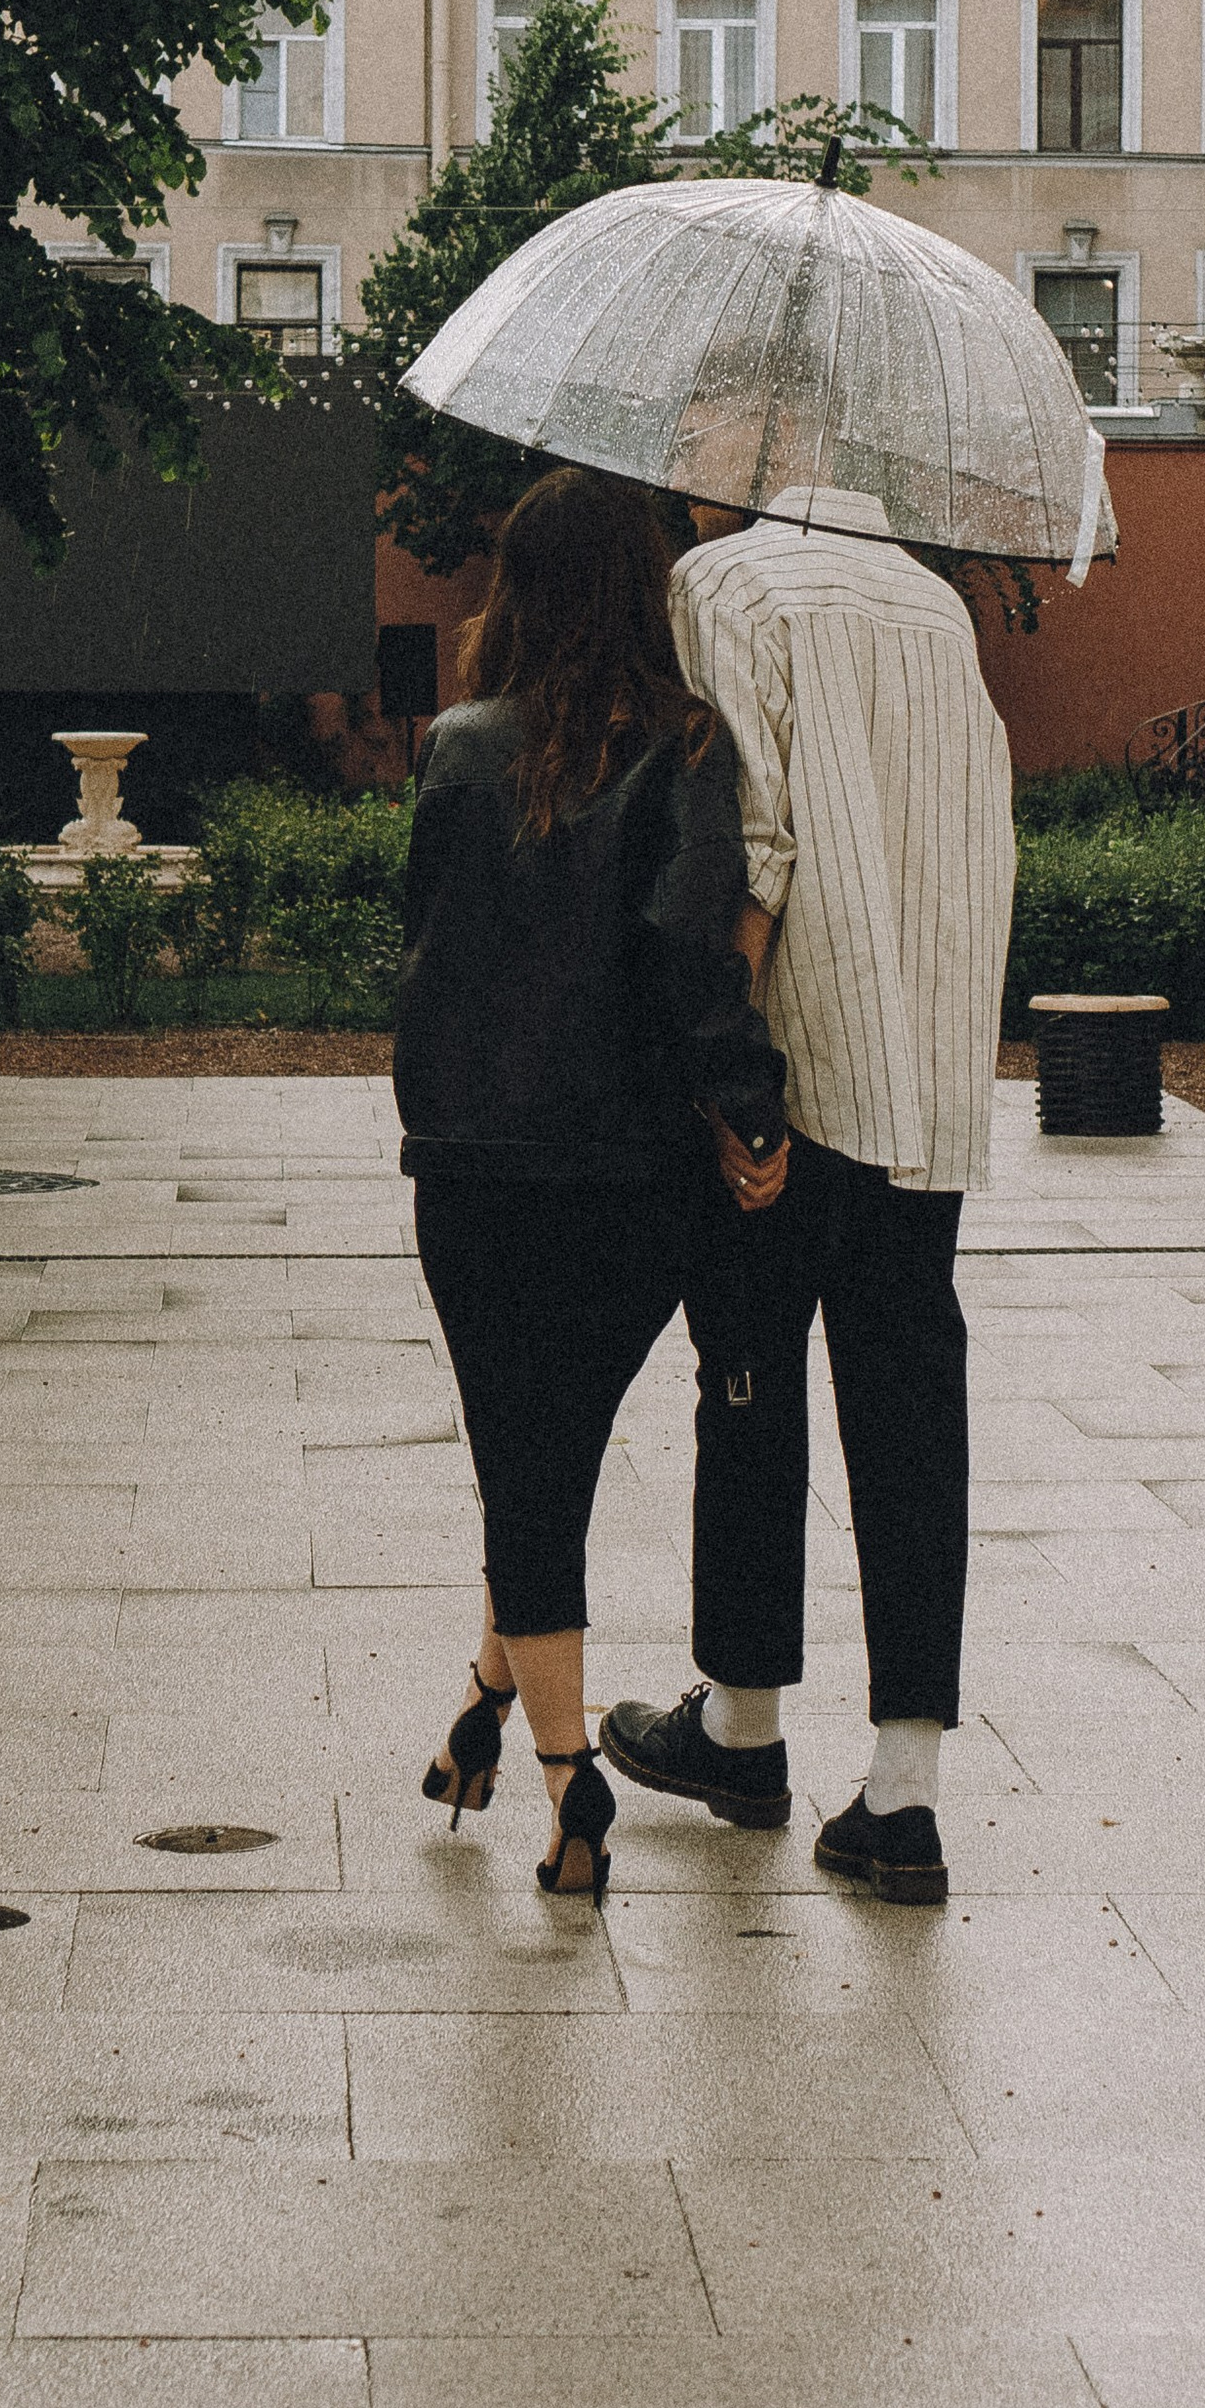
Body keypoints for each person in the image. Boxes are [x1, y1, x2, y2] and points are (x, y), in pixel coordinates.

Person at [600, 500, 1016, 1906]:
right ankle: (904, 1789)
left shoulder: (726, 586)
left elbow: (754, 842)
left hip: (801, 1063)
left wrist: (737, 1081)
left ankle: (743, 1727)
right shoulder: (933, 607)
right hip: (929, 1075)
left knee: (750, 1386)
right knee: (910, 1404)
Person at [395, 467, 789, 1904]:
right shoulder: (686, 746)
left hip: (473, 1168)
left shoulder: (453, 745)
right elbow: (694, 960)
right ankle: (510, 1729)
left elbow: (428, 941)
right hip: (630, 1180)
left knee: (527, 1458)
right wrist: (750, 1114)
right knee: (542, 1457)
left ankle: (560, 1777)